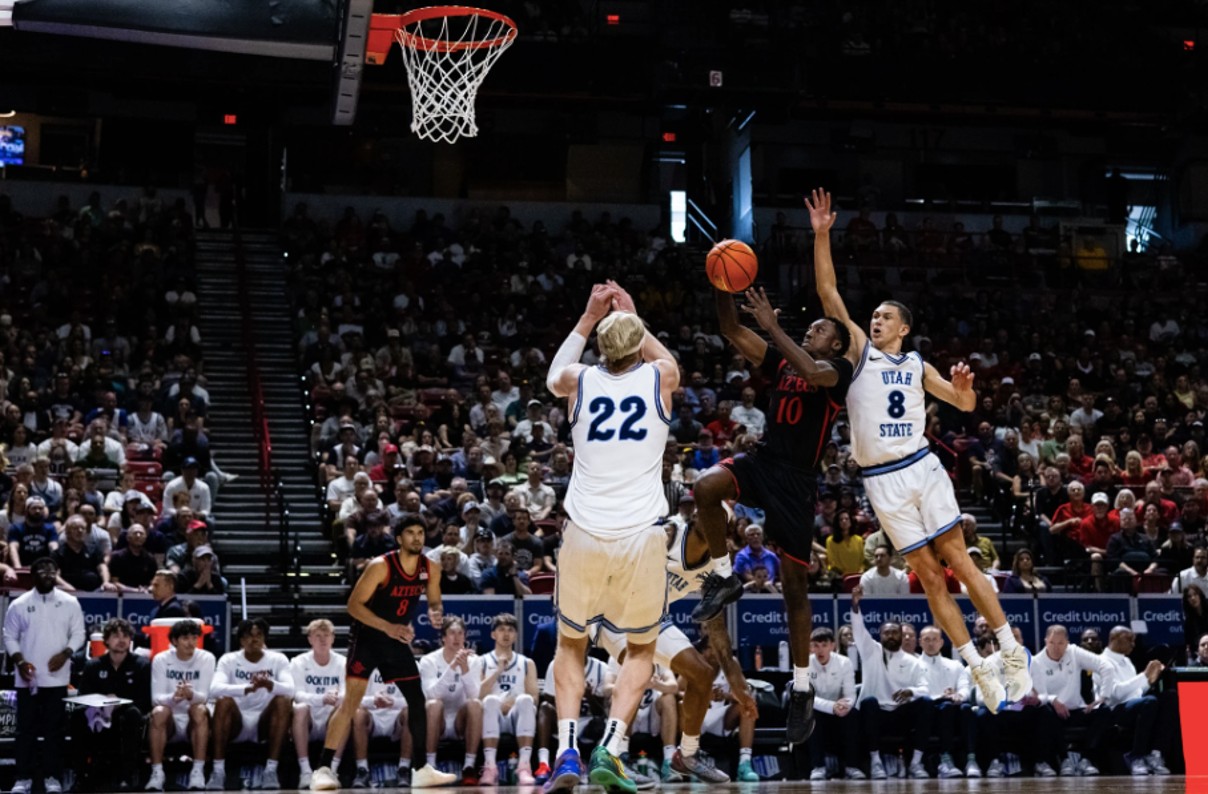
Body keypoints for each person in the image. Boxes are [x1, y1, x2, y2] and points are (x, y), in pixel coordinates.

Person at [810, 187, 1029, 711]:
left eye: (885, 317)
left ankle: (1010, 650)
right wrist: (821, 235)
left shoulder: (916, 366)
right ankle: (977, 667)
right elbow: (828, 292)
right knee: (929, 578)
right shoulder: (860, 352)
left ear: (903, 329)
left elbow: (965, 402)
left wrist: (963, 385)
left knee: (957, 559)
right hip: (880, 481)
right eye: (875, 316)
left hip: (920, 467)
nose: (875, 321)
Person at [691, 284, 854, 747]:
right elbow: (729, 329)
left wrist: (774, 327)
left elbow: (811, 370)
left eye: (820, 329)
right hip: (764, 462)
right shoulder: (781, 359)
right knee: (705, 486)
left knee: (796, 590)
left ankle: (802, 691)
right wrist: (721, 283)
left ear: (836, 344)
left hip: (798, 482)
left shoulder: (838, 370)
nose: (813, 331)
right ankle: (723, 577)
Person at [543, 281, 679, 792]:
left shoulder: (578, 381)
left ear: (601, 348)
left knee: (571, 642)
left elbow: (555, 372)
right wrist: (633, 314)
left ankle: (567, 752)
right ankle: (612, 747)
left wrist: (586, 316)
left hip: (584, 531)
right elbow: (665, 357)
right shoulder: (661, 377)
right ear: (639, 342)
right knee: (641, 647)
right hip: (642, 535)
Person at [593, 509, 755, 783]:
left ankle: (686, 756)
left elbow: (716, 628)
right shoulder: (667, 534)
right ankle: (614, 756)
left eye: (720, 521)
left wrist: (736, 680)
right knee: (639, 669)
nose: (711, 520)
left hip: (653, 618)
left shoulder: (716, 567)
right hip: (611, 612)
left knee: (703, 673)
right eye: (707, 514)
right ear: (694, 517)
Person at [309, 514, 456, 791]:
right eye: (410, 533)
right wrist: (388, 627)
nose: (417, 538)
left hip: (395, 638)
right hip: (367, 638)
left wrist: (436, 614)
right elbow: (353, 606)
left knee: (416, 698)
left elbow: (435, 601)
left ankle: (421, 768)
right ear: (399, 539)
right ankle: (323, 769)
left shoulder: (430, 568)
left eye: (421, 533)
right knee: (350, 703)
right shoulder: (381, 566)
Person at [3, 557, 85, 794]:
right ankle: (23, 778)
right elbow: (9, 636)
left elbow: (79, 634)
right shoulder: (19, 604)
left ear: (56, 573)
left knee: (54, 731)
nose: (48, 574)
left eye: (52, 570)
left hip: (57, 678)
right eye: (42, 570)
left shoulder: (70, 602)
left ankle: (53, 777)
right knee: (25, 730)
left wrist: (65, 654)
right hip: (27, 678)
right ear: (34, 573)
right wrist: (19, 661)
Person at [849, 585, 929, 779]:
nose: (891, 636)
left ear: (901, 636)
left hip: (901, 714)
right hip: (875, 715)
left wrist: (911, 691)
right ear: (880, 635)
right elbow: (859, 630)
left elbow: (925, 688)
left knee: (926, 703)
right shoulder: (871, 651)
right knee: (869, 702)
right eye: (887, 633)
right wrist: (855, 605)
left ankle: (916, 763)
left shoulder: (913, 661)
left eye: (895, 633)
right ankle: (876, 762)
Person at [208, 619, 296, 790]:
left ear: (264, 639)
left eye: (258, 636)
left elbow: (291, 689)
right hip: (237, 720)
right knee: (223, 701)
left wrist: (270, 684)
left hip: (265, 721)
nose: (254, 640)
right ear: (241, 640)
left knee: (283, 701)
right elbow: (214, 689)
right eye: (248, 636)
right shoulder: (228, 659)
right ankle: (218, 772)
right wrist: (246, 688)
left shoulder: (278, 659)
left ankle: (271, 770)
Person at [73, 618, 152, 790]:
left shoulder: (142, 665)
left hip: (127, 714)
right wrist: (102, 702)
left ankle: (127, 775)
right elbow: (83, 696)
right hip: (99, 713)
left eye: (126, 636)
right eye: (116, 636)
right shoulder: (93, 665)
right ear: (106, 640)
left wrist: (119, 703)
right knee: (78, 713)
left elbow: (146, 699)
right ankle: (81, 774)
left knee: (133, 714)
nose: (122, 640)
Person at [1029, 625, 1115, 776]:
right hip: (1053, 713)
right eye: (1051, 642)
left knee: (1105, 710)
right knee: (1044, 711)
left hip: (1076, 710)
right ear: (1045, 642)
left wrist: (1102, 697)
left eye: (1061, 643)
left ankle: (1086, 759)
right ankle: (1064, 760)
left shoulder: (1074, 652)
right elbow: (1038, 695)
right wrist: (1053, 699)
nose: (1056, 647)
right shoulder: (1036, 662)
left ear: (1067, 642)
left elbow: (1106, 666)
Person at [147, 620, 215, 792]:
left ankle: (197, 771)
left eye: (194, 637)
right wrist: (174, 697)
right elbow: (156, 699)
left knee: (199, 709)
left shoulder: (207, 658)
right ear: (174, 641)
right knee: (159, 712)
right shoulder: (161, 659)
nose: (191, 642)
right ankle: (157, 773)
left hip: (195, 719)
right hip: (170, 719)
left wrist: (191, 695)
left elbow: (205, 698)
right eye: (185, 638)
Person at [1094, 626, 1172, 776]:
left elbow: (1136, 692)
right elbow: (1115, 694)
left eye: (1134, 640)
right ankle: (1136, 756)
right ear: (1114, 639)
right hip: (1111, 710)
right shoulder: (1101, 662)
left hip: (1134, 706)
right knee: (1149, 702)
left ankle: (1155, 754)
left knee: (1170, 697)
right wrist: (1144, 675)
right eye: (1129, 640)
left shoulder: (1127, 662)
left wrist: (1149, 681)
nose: (1133, 644)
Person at [474, 613, 540, 786]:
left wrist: (515, 701)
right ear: (493, 634)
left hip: (515, 716)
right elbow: (477, 695)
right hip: (491, 715)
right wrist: (497, 671)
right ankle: (490, 767)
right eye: (501, 629)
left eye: (510, 630)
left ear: (516, 635)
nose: (506, 634)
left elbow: (535, 697)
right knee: (489, 701)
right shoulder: (481, 661)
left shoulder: (527, 663)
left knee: (526, 699)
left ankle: (524, 766)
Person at [418, 616, 484, 785]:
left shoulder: (474, 661)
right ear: (443, 638)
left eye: (460, 633)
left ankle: (469, 766)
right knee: (433, 704)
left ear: (465, 637)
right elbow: (431, 694)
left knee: (475, 704)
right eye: (452, 633)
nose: (457, 637)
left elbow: (474, 694)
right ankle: (430, 766)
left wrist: (464, 669)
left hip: (460, 721)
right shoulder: (428, 660)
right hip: (437, 720)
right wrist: (452, 667)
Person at [291, 620, 348, 789]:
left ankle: (332, 771)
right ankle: (306, 771)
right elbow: (297, 694)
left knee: (345, 708)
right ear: (310, 639)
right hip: (308, 717)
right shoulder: (298, 662)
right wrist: (321, 698)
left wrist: (336, 698)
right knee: (299, 708)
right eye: (318, 636)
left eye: (326, 635)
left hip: (332, 716)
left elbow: (348, 693)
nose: (323, 640)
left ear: (333, 638)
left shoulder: (343, 662)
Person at [804, 628, 863, 781]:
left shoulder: (844, 662)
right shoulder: (803, 665)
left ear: (832, 646)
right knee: (810, 712)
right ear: (810, 647)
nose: (820, 650)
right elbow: (807, 697)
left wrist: (845, 706)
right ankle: (818, 767)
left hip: (839, 712)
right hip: (818, 711)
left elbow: (850, 694)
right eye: (815, 645)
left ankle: (852, 766)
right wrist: (831, 707)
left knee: (853, 713)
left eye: (824, 645)